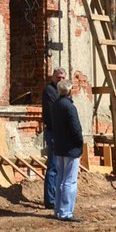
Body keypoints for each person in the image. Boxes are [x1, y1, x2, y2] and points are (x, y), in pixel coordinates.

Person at [49, 78, 83, 222]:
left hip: (59, 147)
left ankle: (58, 210)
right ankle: (66, 212)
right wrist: (80, 142)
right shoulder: (69, 107)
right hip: (70, 148)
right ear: (70, 91)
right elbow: (76, 128)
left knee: (60, 179)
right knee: (70, 181)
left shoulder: (55, 105)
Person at [41, 67, 68, 209]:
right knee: (52, 166)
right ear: (53, 77)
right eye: (59, 77)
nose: (61, 80)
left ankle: (56, 196)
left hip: (60, 132)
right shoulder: (50, 91)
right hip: (53, 131)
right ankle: (50, 200)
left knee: (59, 166)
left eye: (63, 78)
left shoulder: (61, 92)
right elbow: (56, 112)